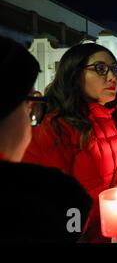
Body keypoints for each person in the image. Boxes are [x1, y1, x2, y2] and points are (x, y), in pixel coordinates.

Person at [23, 43, 117, 243]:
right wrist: (110, 198)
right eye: (100, 69)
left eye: (115, 69)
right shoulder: (54, 128)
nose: (112, 77)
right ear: (74, 73)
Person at [0, 36, 92, 242]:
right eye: (30, 105)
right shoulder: (52, 197)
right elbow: (72, 225)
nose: (112, 78)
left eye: (115, 69)